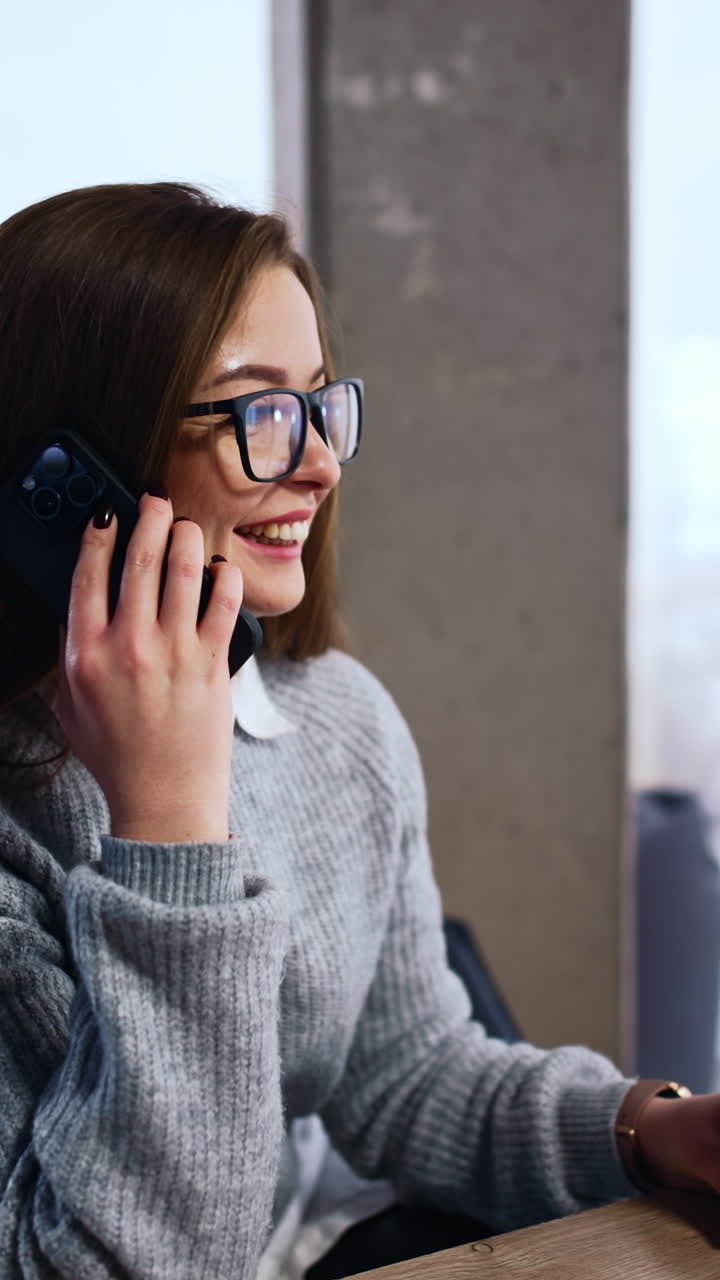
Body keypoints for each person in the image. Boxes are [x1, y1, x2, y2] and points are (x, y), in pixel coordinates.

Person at [0, 182, 716, 1280]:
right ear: (64, 480)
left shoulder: (337, 721)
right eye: (256, 412)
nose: (323, 464)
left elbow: (406, 1072)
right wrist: (171, 826)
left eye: (319, 403)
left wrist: (644, 1124)